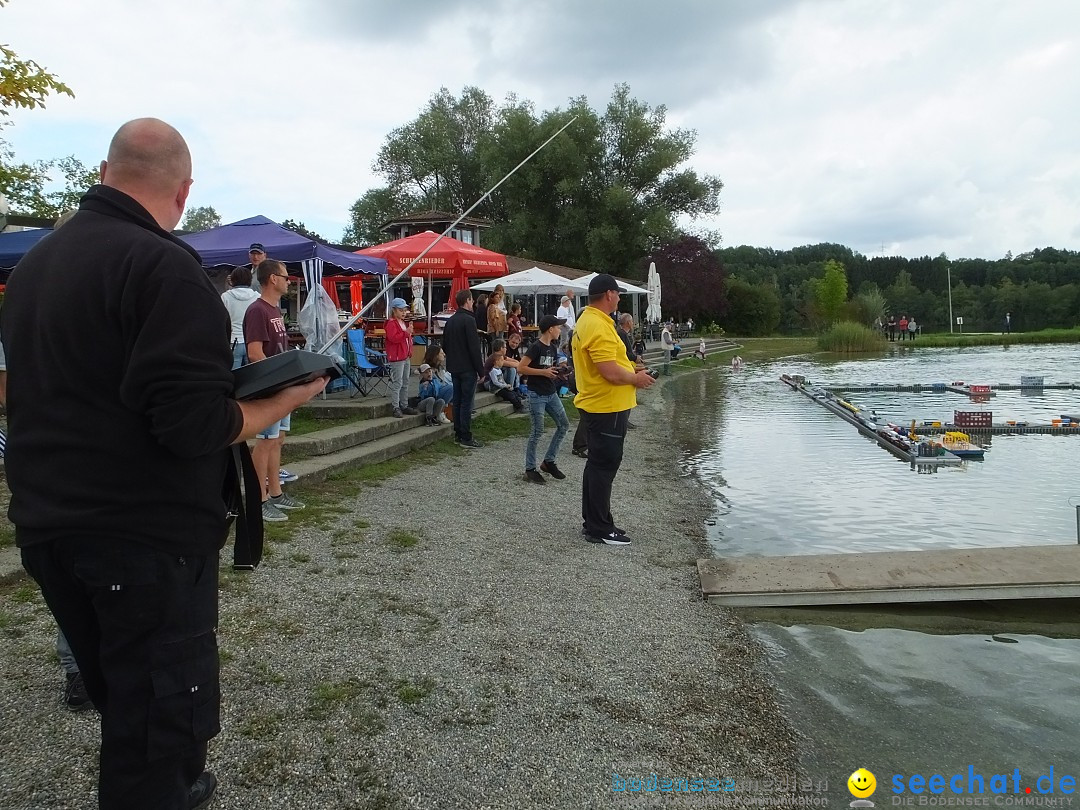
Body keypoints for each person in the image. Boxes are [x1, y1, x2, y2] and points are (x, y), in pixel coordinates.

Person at [2, 117, 326, 810]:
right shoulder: (162, 266)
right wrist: (286, 398)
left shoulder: (32, 271)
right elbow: (194, 426)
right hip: (140, 537)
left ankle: (180, 780)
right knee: (154, 725)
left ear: (102, 172)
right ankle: (163, 786)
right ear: (183, 193)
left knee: (126, 691)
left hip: (49, 522)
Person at [572, 274, 655, 545]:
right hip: (607, 405)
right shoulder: (598, 325)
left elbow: (610, 362)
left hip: (602, 403)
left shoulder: (590, 320)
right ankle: (599, 527)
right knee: (604, 465)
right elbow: (608, 371)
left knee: (597, 464)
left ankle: (595, 521)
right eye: (618, 293)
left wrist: (632, 369)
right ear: (609, 294)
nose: (619, 297)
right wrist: (636, 378)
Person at [245, 260, 307, 523]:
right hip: (269, 388)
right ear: (272, 279)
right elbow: (254, 352)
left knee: (278, 439)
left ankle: (276, 491)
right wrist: (275, 376)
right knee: (266, 442)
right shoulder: (258, 310)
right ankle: (259, 498)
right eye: (285, 276)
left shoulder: (275, 310)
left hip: (282, 385)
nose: (288, 281)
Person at [518, 315, 571, 484]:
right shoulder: (536, 347)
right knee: (537, 431)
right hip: (537, 394)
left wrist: (559, 372)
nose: (560, 330)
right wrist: (543, 373)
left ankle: (549, 461)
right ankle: (530, 469)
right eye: (558, 327)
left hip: (550, 392)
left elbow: (548, 368)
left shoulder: (553, 347)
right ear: (550, 329)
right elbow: (521, 368)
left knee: (564, 425)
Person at [442, 288, 485, 448]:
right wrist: (481, 370)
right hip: (467, 367)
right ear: (467, 301)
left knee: (458, 400)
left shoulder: (451, 320)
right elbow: (474, 348)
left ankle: (458, 433)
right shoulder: (469, 320)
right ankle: (466, 436)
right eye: (471, 300)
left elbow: (444, 345)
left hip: (454, 366)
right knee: (467, 402)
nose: (473, 302)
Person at [385, 297, 419, 419]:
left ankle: (404, 405)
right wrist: (407, 333)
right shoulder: (391, 323)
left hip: (405, 356)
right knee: (398, 382)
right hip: (397, 357)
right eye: (401, 310)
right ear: (394, 310)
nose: (404, 312)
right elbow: (394, 338)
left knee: (405, 382)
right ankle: (396, 406)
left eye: (405, 310)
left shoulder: (402, 323)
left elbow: (405, 338)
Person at [221, 265, 259, 369]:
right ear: (250, 280)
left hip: (233, 341)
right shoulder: (257, 297)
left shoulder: (225, 297)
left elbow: (222, 320)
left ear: (232, 280)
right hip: (252, 342)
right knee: (253, 376)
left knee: (234, 377)